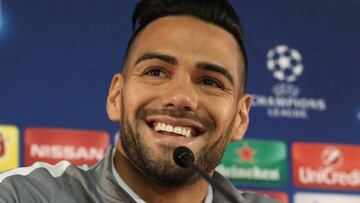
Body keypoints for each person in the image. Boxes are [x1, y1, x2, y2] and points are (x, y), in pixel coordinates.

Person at [0, 0, 280, 202]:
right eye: (156, 72)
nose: (181, 97)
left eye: (210, 82)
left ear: (241, 118)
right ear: (116, 96)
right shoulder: (22, 195)